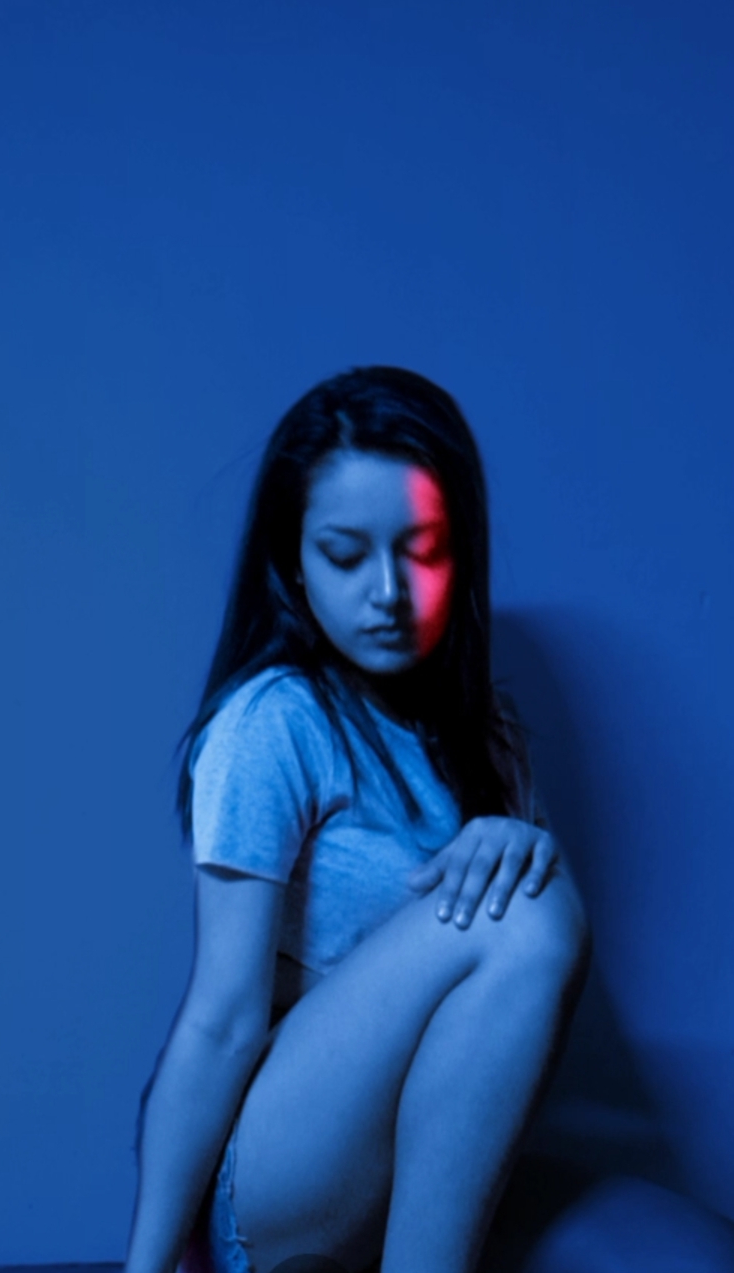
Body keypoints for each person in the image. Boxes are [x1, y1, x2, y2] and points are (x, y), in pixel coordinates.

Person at [124, 367, 591, 1273]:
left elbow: (526, 997)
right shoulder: (274, 722)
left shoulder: (490, 736)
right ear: (295, 560)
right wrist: (145, 1265)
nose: (388, 591)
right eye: (345, 555)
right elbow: (220, 1021)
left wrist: (524, 839)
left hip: (408, 1181)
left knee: (678, 1243)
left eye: (423, 551)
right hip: (276, 1177)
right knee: (528, 906)